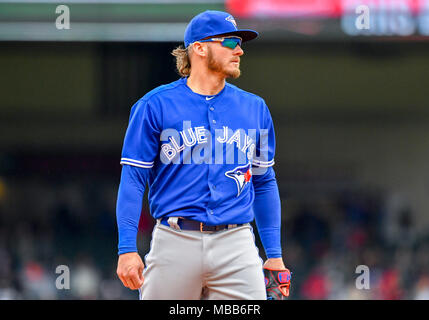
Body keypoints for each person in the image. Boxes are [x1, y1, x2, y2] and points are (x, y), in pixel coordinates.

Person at [115, 10, 291, 300]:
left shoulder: (254, 108)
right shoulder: (154, 105)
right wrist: (127, 248)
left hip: (236, 242)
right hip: (174, 239)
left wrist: (274, 254)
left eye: (241, 43)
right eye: (231, 42)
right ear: (198, 47)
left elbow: (264, 182)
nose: (240, 50)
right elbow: (133, 180)